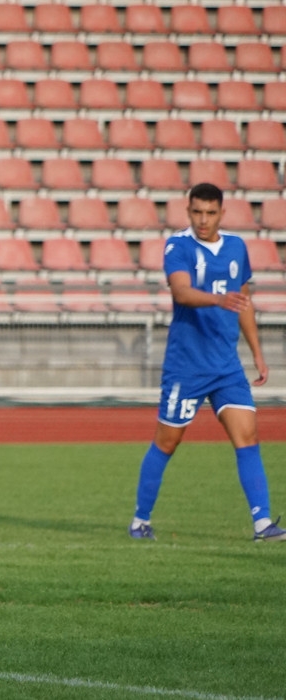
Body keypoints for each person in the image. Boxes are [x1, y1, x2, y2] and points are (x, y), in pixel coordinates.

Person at [128, 182, 286, 543]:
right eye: (197, 212)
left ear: (221, 213)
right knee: (167, 442)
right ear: (188, 211)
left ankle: (262, 524)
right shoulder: (178, 246)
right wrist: (217, 300)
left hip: (227, 366)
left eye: (210, 213)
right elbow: (181, 291)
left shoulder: (236, 247)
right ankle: (140, 520)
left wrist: (257, 353)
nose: (203, 220)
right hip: (187, 367)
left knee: (247, 437)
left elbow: (243, 300)